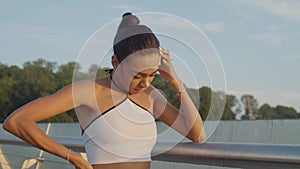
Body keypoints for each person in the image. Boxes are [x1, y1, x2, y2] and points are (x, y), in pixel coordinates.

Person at [3, 12, 206, 169]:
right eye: (137, 75)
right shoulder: (90, 91)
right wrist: (72, 157)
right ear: (116, 62)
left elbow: (197, 135)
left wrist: (175, 80)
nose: (145, 83)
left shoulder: (151, 96)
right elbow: (16, 121)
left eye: (152, 74)